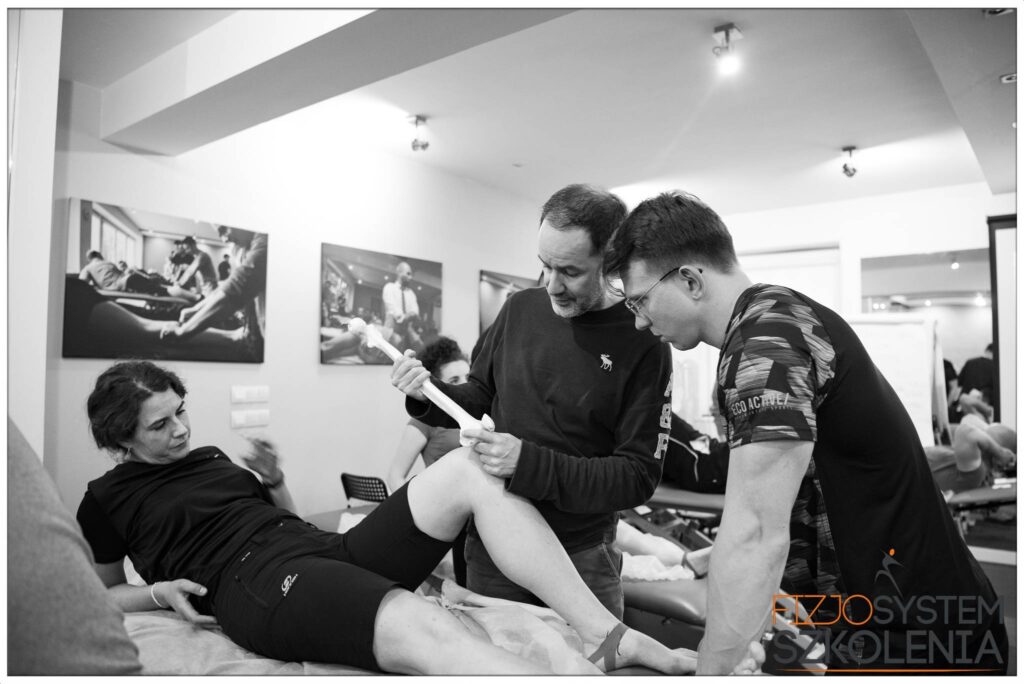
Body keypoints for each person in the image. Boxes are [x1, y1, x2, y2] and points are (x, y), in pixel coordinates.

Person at [74, 361, 763, 675]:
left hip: (315, 549)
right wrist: (155, 592)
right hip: (251, 585)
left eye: (181, 412)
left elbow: (276, 516)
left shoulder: (211, 456)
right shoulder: (104, 500)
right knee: (417, 618)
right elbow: (100, 594)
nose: (180, 429)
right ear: (119, 437)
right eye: (160, 425)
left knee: (467, 467)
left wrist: (275, 481)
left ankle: (605, 634)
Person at [603, 190, 1008, 674]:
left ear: (690, 280)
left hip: (919, 634)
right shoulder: (774, 320)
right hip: (893, 621)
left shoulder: (766, 341)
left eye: (641, 301)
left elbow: (755, 533)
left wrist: (714, 666)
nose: (640, 321)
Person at [390, 183, 673, 619]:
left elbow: (637, 476)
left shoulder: (644, 339)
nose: (552, 286)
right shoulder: (519, 309)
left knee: (590, 656)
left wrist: (528, 464)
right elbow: (479, 395)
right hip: (495, 546)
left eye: (570, 272)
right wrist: (428, 392)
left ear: (611, 261)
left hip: (581, 556)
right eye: (545, 266)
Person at [387, 336, 469, 583]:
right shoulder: (426, 420)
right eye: (454, 380)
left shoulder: (478, 414)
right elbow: (395, 475)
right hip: (453, 521)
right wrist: (421, 518)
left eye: (468, 377)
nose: (463, 385)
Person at [160, 225, 267, 361]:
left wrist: (182, 331)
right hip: (218, 299)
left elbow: (238, 287)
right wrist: (195, 309)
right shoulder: (242, 249)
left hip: (209, 291)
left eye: (223, 229)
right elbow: (231, 285)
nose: (224, 239)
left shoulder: (264, 241)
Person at [927, 416, 1016, 494]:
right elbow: (968, 420)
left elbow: (965, 431)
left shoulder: (976, 472)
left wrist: (1000, 452)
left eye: (987, 436)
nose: (982, 434)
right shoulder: (972, 463)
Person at [381, 261, 424, 353]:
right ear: (399, 272)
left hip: (406, 336)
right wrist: (407, 316)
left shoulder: (411, 293)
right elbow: (396, 314)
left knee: (420, 348)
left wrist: (409, 316)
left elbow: (416, 313)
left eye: (411, 275)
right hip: (390, 333)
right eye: (408, 274)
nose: (410, 277)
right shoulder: (389, 288)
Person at [958, 344, 996, 416]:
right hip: (984, 406)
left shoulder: (969, 362)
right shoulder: (995, 367)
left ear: (986, 351)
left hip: (966, 406)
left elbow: (959, 383)